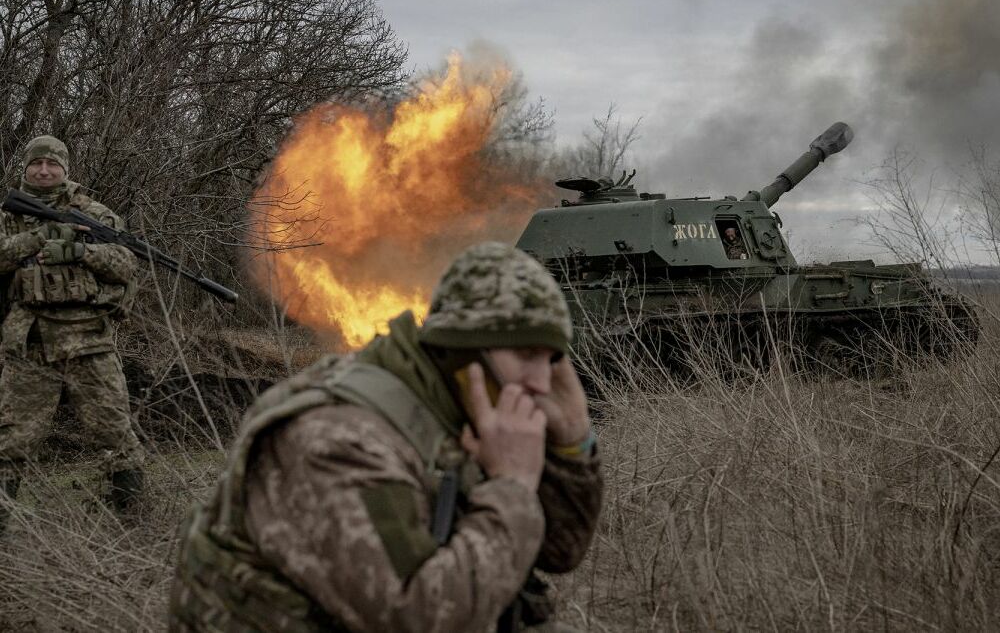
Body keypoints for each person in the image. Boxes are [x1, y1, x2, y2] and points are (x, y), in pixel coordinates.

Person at [169, 242, 603, 632]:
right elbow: (417, 620)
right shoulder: (338, 439)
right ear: (465, 349)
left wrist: (571, 441)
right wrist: (511, 487)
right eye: (526, 355)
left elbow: (559, 551)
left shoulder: (464, 404)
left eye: (551, 359)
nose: (542, 382)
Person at [0, 135, 144, 531]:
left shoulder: (92, 214)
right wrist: (37, 238)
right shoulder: (7, 216)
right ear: (25, 168)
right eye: (37, 164)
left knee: (116, 432)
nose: (44, 171)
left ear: (65, 169)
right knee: (11, 443)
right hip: (30, 344)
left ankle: (133, 524)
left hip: (90, 340)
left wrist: (81, 251)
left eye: (53, 165)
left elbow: (126, 264)